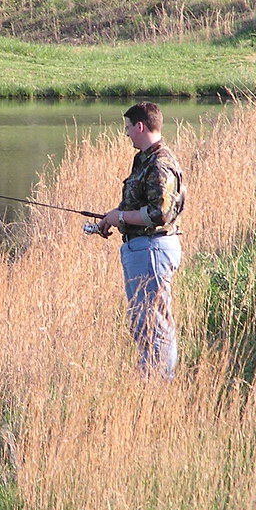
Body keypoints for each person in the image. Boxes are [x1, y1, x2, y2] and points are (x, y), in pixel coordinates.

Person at [97, 102, 186, 380]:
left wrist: (119, 217)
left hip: (153, 250)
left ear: (140, 126)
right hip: (145, 250)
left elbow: (160, 213)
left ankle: (158, 385)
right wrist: (112, 218)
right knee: (144, 320)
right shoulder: (146, 159)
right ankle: (153, 380)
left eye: (127, 128)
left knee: (153, 322)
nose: (126, 135)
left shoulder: (160, 164)